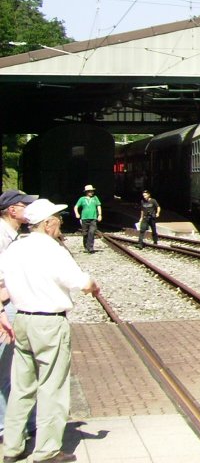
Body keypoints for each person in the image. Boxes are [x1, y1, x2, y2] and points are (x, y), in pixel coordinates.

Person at [0, 198, 99, 463]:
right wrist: (92, 285)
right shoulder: (52, 249)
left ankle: (11, 447)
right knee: (51, 386)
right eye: (57, 218)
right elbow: (79, 281)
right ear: (46, 223)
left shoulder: (15, 248)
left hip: (22, 319)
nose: (61, 223)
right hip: (49, 322)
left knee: (21, 387)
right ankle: (46, 451)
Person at [0, 190, 35, 440]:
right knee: (6, 368)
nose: (29, 210)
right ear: (12, 210)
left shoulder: (13, 235)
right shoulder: (1, 236)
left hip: (10, 303)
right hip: (3, 308)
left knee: (11, 367)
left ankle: (12, 424)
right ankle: (6, 427)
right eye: (26, 206)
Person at [72, 185, 101, 254]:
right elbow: (76, 206)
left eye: (92, 191)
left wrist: (100, 215)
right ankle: (86, 247)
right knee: (85, 233)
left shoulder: (95, 198)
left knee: (92, 232)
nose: (92, 192)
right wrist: (77, 213)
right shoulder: (82, 199)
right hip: (84, 218)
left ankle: (90, 248)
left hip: (93, 218)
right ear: (87, 192)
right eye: (90, 191)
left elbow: (98, 206)